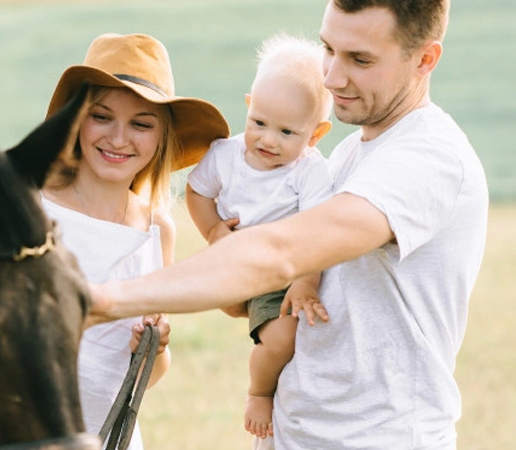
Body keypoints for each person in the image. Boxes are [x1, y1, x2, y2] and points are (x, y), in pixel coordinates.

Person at [87, 1, 489, 449]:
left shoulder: (428, 159)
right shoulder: (349, 154)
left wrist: (101, 300)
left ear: (425, 59)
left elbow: (284, 252)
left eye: (360, 59)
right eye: (329, 49)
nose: (332, 76)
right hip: (295, 433)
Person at [41, 33, 229, 449]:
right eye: (102, 116)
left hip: (111, 439)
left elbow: (150, 375)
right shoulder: (34, 209)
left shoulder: (157, 230)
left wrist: (154, 346)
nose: (119, 138)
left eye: (141, 124)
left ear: (162, 137)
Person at [185, 33, 333, 439]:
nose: (268, 140)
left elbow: (322, 231)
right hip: (235, 261)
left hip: (283, 271)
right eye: (259, 124)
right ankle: (259, 387)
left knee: (283, 337)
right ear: (249, 106)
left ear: (316, 134)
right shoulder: (225, 155)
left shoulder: (310, 172)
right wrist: (213, 229)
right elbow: (197, 191)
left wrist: (305, 280)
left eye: (287, 133)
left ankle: (260, 392)